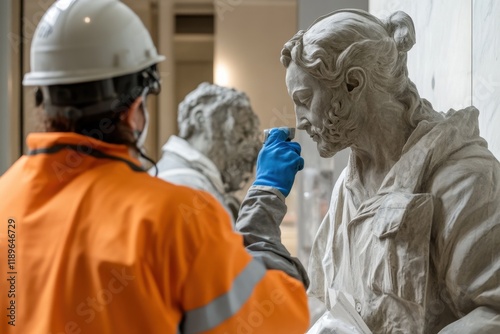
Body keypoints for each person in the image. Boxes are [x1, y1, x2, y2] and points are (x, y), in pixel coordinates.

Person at [0, 0, 309, 333]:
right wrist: (266, 197)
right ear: (135, 109)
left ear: (42, 97)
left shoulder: (6, 201)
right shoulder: (175, 218)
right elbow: (278, 319)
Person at [241, 8, 500, 333]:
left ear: (352, 83)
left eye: (305, 99)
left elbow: (493, 312)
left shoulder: (464, 179)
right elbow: (322, 299)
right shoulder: (346, 189)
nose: (300, 121)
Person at [153, 83, 261, 221]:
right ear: (201, 119)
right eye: (242, 130)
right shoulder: (189, 187)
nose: (251, 146)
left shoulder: (189, 179)